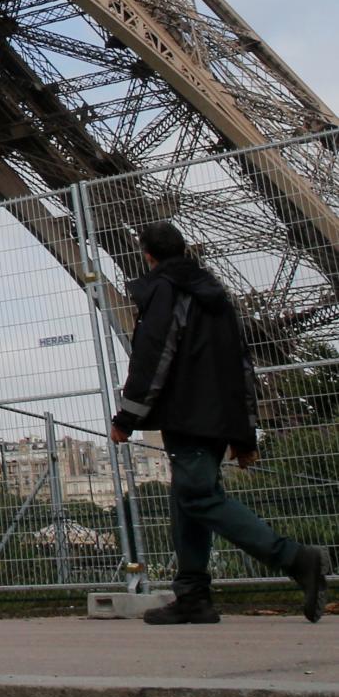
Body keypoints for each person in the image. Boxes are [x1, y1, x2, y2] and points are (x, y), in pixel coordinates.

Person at [110, 220, 327, 625]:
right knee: (187, 499)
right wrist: (244, 433)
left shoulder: (164, 290)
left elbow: (152, 359)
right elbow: (240, 364)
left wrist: (127, 417)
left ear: (148, 255)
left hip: (187, 414)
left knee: (197, 496)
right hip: (219, 414)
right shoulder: (216, 296)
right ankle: (193, 596)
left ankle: (295, 558)